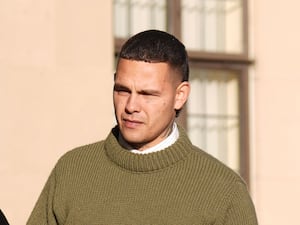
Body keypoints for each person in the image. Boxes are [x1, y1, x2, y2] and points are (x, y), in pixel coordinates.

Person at [27, 30, 258, 225]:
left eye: (148, 94)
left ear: (180, 95)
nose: (131, 106)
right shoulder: (72, 171)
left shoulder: (223, 191)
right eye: (123, 90)